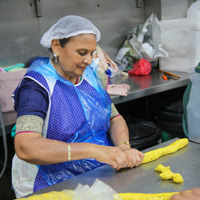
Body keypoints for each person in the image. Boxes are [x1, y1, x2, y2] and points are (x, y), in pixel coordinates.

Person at [12, 15, 144, 198]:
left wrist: (123, 146)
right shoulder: (37, 85)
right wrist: (93, 150)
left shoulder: (90, 76)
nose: (89, 60)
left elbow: (114, 117)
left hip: (96, 175)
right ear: (57, 46)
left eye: (92, 53)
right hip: (48, 183)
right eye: (82, 53)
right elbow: (26, 147)